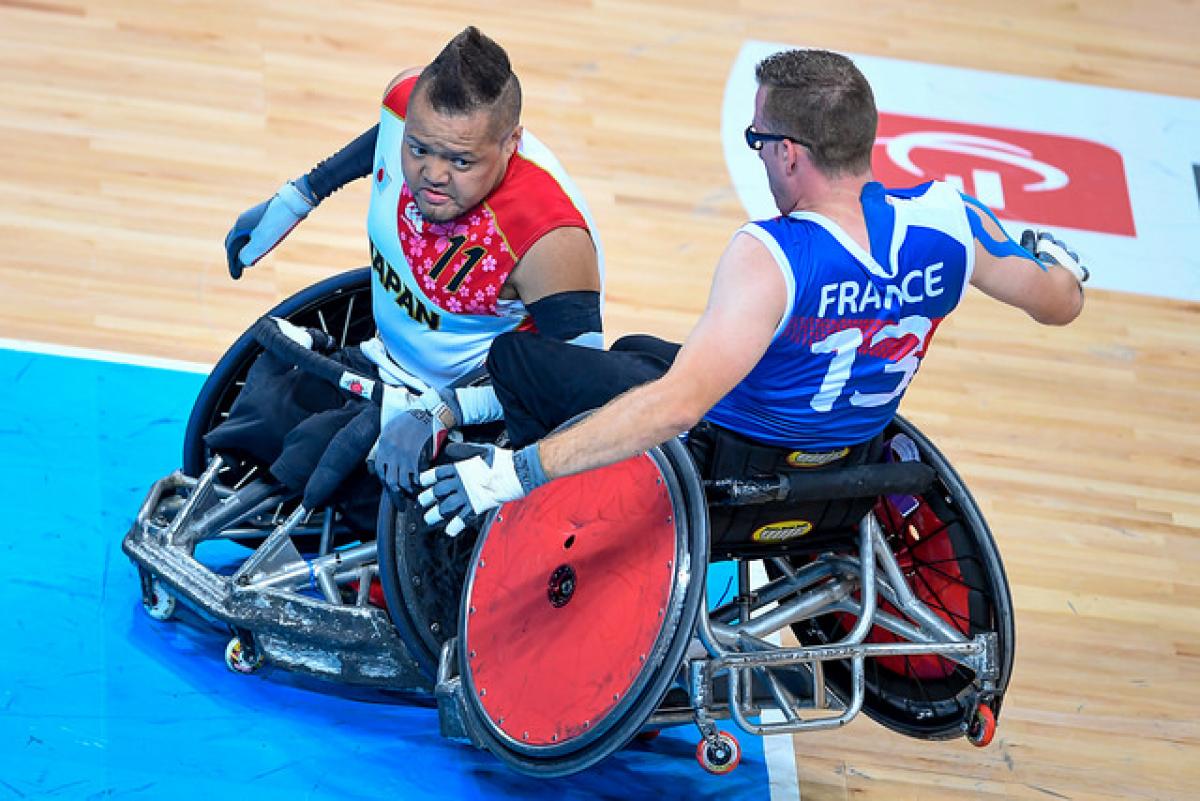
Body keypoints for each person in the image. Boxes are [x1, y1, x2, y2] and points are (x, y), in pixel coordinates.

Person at [414, 48, 1088, 537]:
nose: (760, 154)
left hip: (732, 470)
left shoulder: (771, 257)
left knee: (519, 359)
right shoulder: (953, 218)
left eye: (759, 140)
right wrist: (1056, 258)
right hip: (848, 468)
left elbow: (675, 409)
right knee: (640, 349)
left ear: (790, 154)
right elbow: (1059, 301)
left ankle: (539, 529)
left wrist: (518, 471)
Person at [205, 27, 603, 526]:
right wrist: (298, 197)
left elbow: (580, 385)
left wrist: (445, 411)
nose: (433, 175)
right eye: (419, 150)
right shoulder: (404, 102)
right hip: (378, 366)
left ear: (511, 145)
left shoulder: (551, 241)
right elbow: (386, 136)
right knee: (266, 410)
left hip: (472, 422)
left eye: (461, 160)